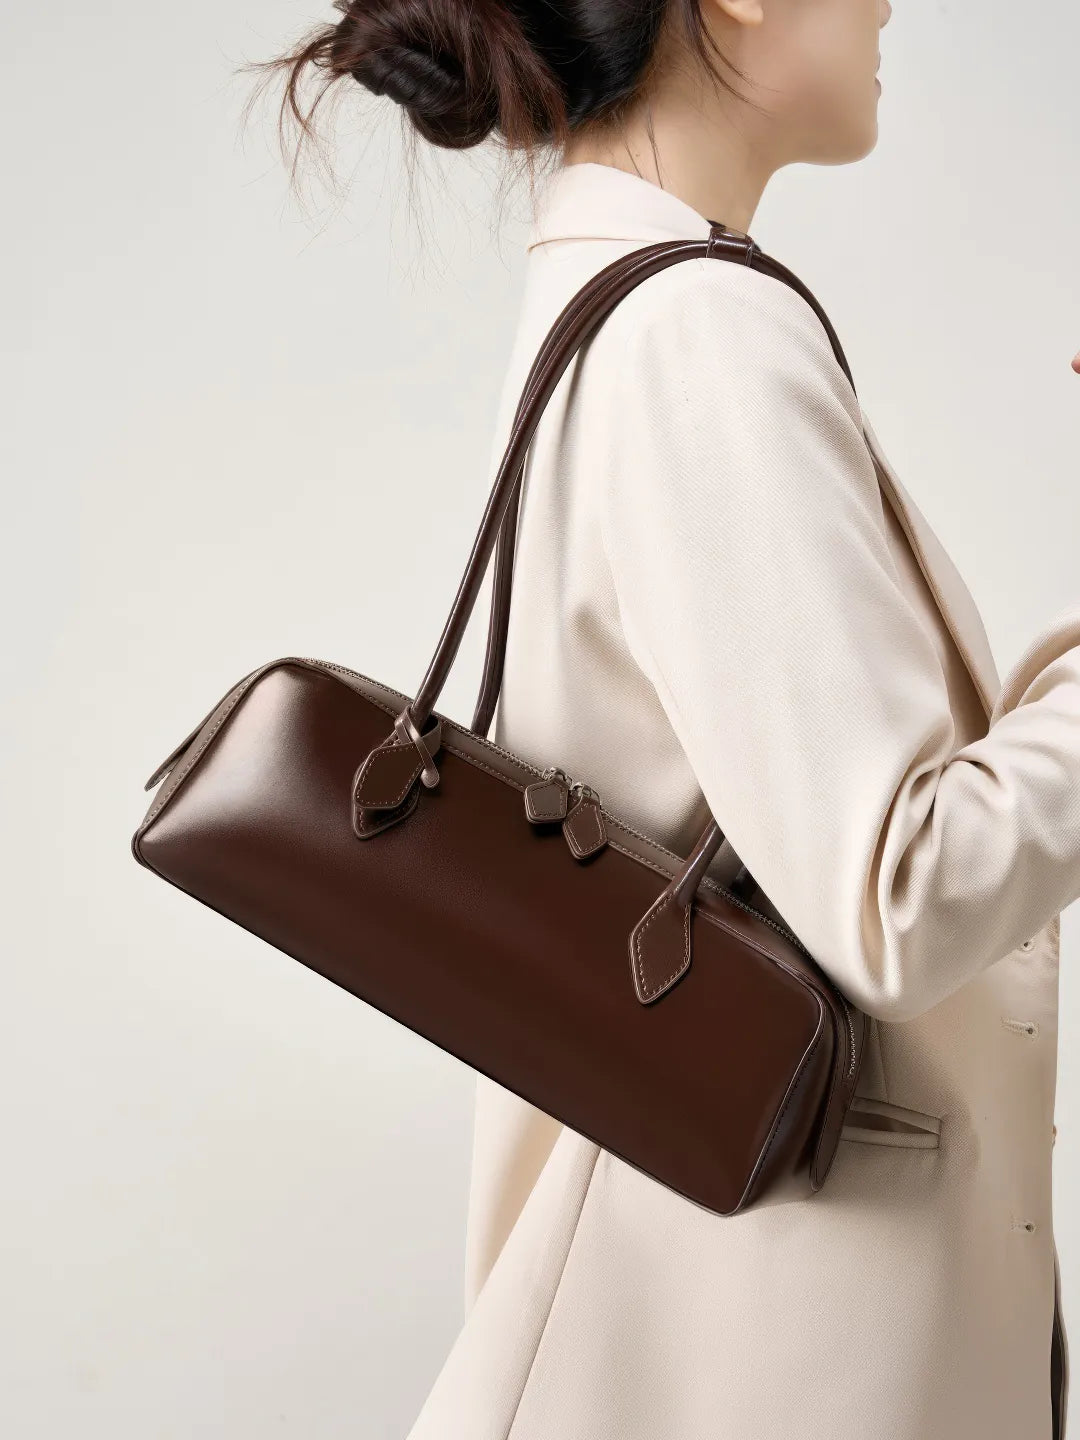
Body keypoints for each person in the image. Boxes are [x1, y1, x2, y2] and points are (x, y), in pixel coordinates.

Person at [249, 1, 1079, 1435]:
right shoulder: (697, 329)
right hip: (780, 1346)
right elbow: (900, 889)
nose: (890, 2)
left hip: (738, 1314)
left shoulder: (639, 297)